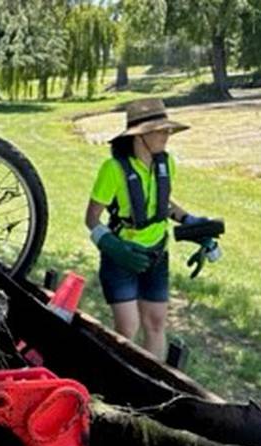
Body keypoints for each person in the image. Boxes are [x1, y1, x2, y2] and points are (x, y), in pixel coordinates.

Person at [84, 98, 220, 360]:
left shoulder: (166, 164)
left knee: (156, 324)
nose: (168, 134)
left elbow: (163, 204)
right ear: (141, 135)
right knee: (127, 329)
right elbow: (91, 218)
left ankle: (151, 386)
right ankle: (119, 386)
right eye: (162, 129)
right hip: (122, 258)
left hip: (157, 255)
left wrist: (190, 221)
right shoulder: (113, 169)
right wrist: (112, 246)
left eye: (168, 129)